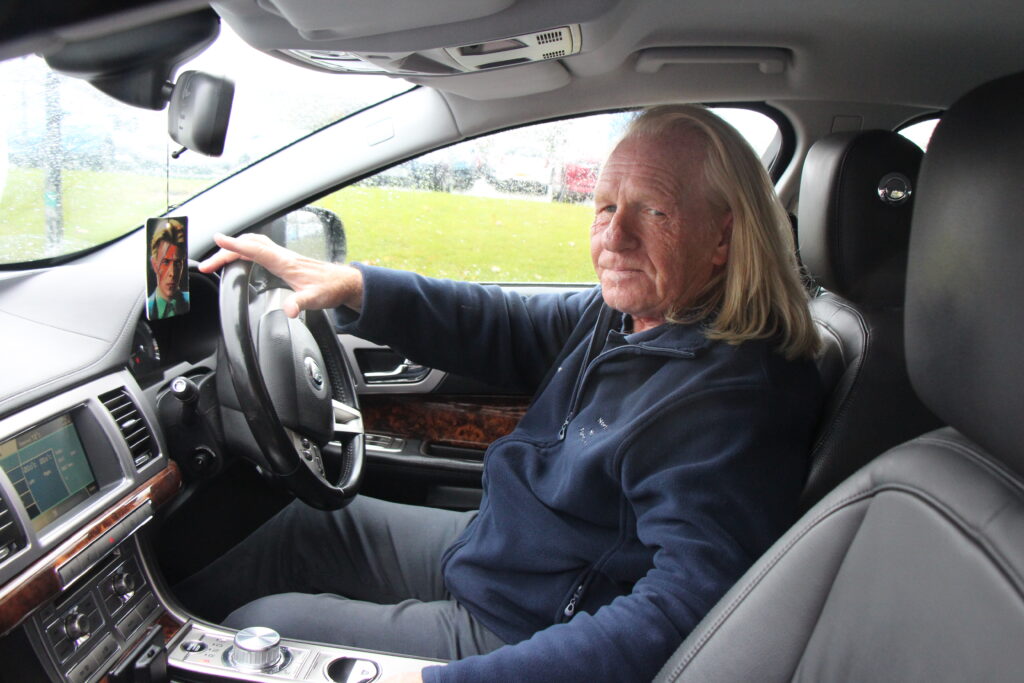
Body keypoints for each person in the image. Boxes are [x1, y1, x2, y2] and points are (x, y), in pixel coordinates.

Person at [188, 105, 823, 683]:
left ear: (721, 237)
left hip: (524, 624)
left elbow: (688, 613)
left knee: (263, 626)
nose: (615, 237)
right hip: (498, 553)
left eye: (653, 210)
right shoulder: (638, 313)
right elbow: (505, 323)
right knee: (304, 529)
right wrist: (350, 284)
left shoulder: (733, 396)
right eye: (605, 208)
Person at [147, 218, 189, 319]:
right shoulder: (148, 306)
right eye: (165, 262)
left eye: (178, 263)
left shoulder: (190, 300)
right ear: (154, 264)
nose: (172, 273)